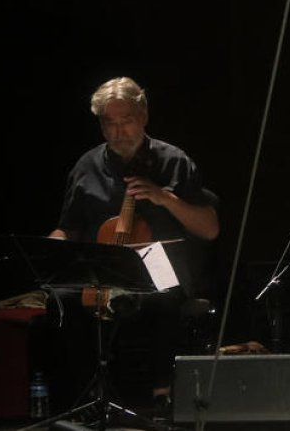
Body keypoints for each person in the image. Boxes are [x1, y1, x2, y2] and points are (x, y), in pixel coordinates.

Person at [49, 76, 219, 417]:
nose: (118, 132)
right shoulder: (86, 167)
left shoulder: (172, 161)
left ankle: (161, 394)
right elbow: (67, 227)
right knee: (61, 301)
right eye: (108, 124)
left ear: (143, 117)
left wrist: (164, 198)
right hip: (102, 270)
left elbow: (210, 228)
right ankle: (86, 396)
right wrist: (54, 250)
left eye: (125, 121)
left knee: (164, 295)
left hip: (158, 269)